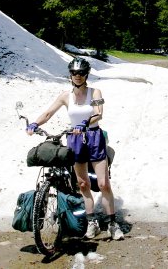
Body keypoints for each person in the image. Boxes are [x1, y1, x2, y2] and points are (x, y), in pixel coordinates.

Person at [26, 57, 124, 240]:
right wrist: (34, 123)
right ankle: (91, 222)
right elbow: (48, 113)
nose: (77, 76)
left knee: (103, 183)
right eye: (74, 73)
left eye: (80, 73)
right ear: (70, 75)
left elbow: (98, 114)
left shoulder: (95, 92)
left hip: (94, 137)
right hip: (75, 140)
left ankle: (112, 223)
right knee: (83, 184)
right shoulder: (65, 96)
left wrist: (85, 124)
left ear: (86, 74)